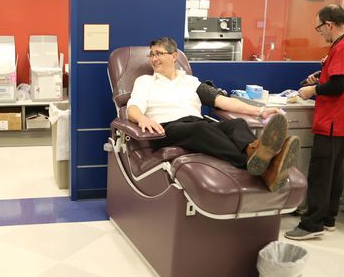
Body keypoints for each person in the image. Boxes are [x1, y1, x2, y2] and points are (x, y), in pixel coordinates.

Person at [127, 37, 300, 191]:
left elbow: (222, 101)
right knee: (200, 127)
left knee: (236, 124)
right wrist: (141, 118)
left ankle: (255, 152)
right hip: (166, 128)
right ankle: (256, 164)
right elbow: (132, 108)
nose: (154, 59)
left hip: (196, 124)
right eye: (151, 55)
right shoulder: (145, 81)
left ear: (174, 56)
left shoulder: (191, 81)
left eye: (159, 54)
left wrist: (261, 111)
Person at [284, 5, 344, 240]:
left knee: (321, 172)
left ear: (329, 24)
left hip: (333, 120)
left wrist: (312, 90)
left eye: (320, 28)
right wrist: (323, 74)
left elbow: (340, 85)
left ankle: (312, 224)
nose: (320, 33)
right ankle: (328, 217)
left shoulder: (343, 47)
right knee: (334, 170)